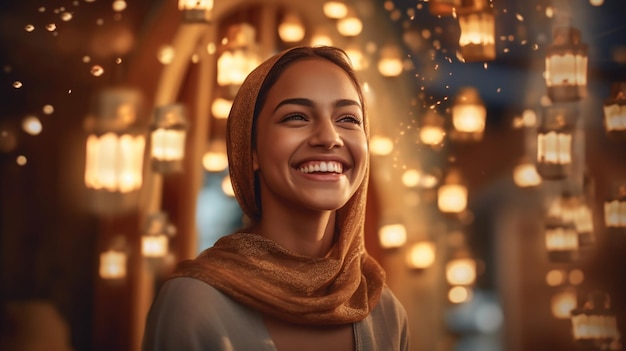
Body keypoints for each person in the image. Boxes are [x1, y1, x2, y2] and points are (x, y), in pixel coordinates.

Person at [142, 45, 410, 351]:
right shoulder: (193, 304)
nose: (329, 137)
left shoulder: (384, 311)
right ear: (250, 149)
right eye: (296, 117)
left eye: (348, 119)